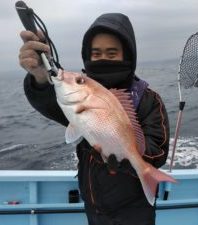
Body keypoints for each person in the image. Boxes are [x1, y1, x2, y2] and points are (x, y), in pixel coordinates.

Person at [19, 13, 170, 225]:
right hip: (93, 207)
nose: (103, 58)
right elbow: (49, 103)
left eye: (112, 52)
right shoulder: (77, 101)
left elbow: (158, 150)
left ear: (127, 55)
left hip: (135, 210)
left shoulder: (148, 100)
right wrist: (40, 77)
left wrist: (129, 161)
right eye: (96, 53)